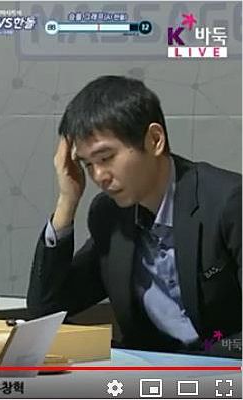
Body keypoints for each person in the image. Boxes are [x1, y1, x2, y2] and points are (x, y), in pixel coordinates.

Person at [27, 75, 242, 357]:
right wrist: (67, 201)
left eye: (106, 158)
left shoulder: (229, 203)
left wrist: (188, 370)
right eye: (88, 164)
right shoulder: (109, 216)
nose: (98, 176)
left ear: (154, 140)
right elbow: (45, 311)